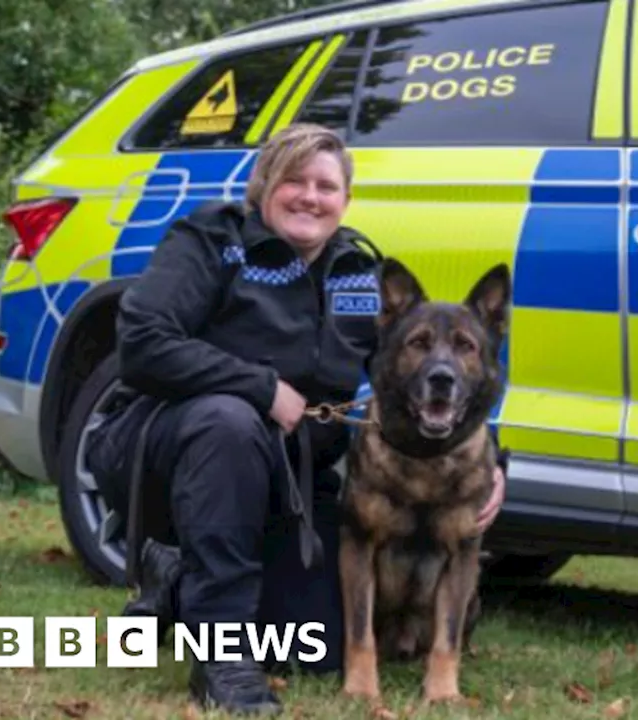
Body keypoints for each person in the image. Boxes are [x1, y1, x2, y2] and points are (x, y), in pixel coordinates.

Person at [85, 123, 507, 716]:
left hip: (284, 476)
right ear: (264, 185)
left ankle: (177, 583)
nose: (311, 197)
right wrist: (260, 388)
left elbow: (422, 371)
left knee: (315, 644)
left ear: (345, 200)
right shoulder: (212, 238)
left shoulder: (357, 271)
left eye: (326, 186)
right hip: (164, 445)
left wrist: (494, 460)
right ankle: (221, 657)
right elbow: (142, 342)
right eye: (294, 181)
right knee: (230, 421)